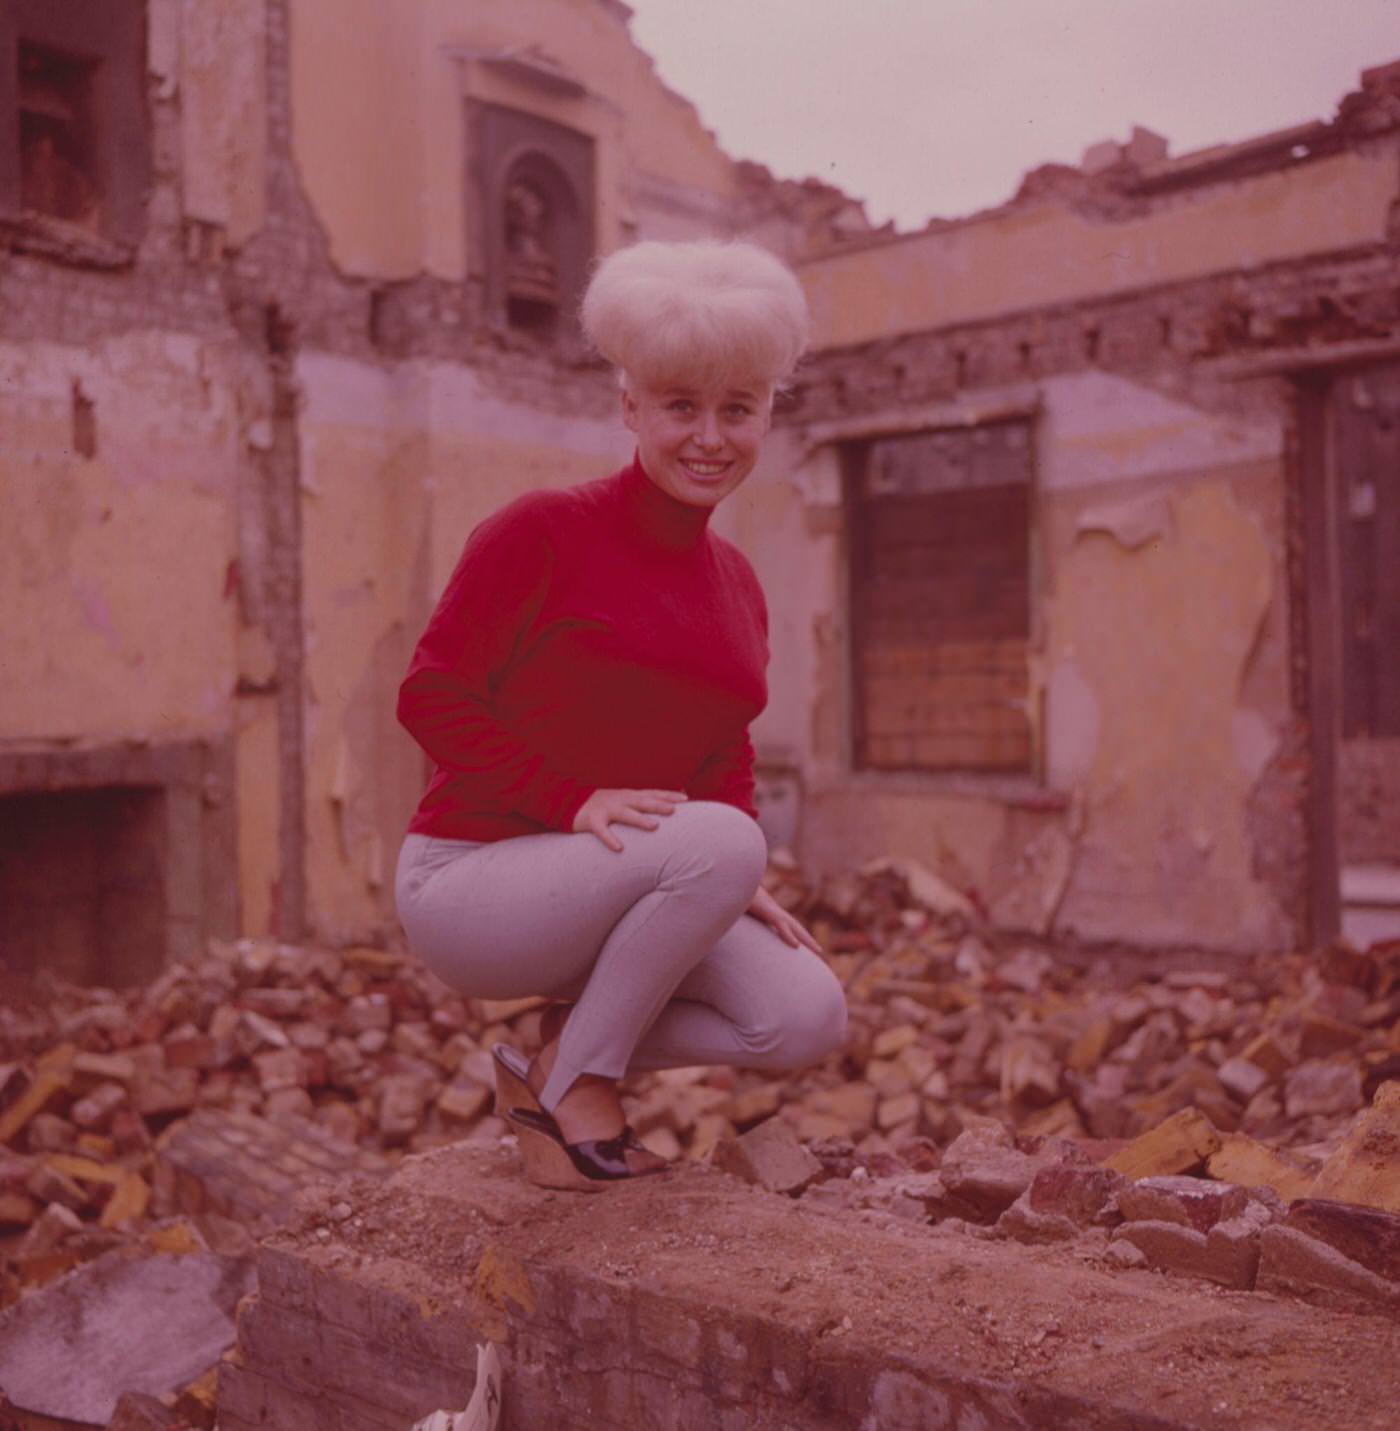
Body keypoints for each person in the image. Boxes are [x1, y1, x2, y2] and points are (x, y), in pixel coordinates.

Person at [394, 240, 847, 1190]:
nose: (710, 437)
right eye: (682, 406)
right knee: (721, 844)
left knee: (806, 1013)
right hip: (471, 882)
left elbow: (722, 739)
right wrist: (570, 799)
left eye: (739, 408)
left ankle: (559, 1058)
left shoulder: (737, 582)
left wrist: (736, 872)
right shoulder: (542, 530)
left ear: (769, 412)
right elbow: (428, 691)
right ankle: (583, 1084)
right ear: (630, 406)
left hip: (619, 876)